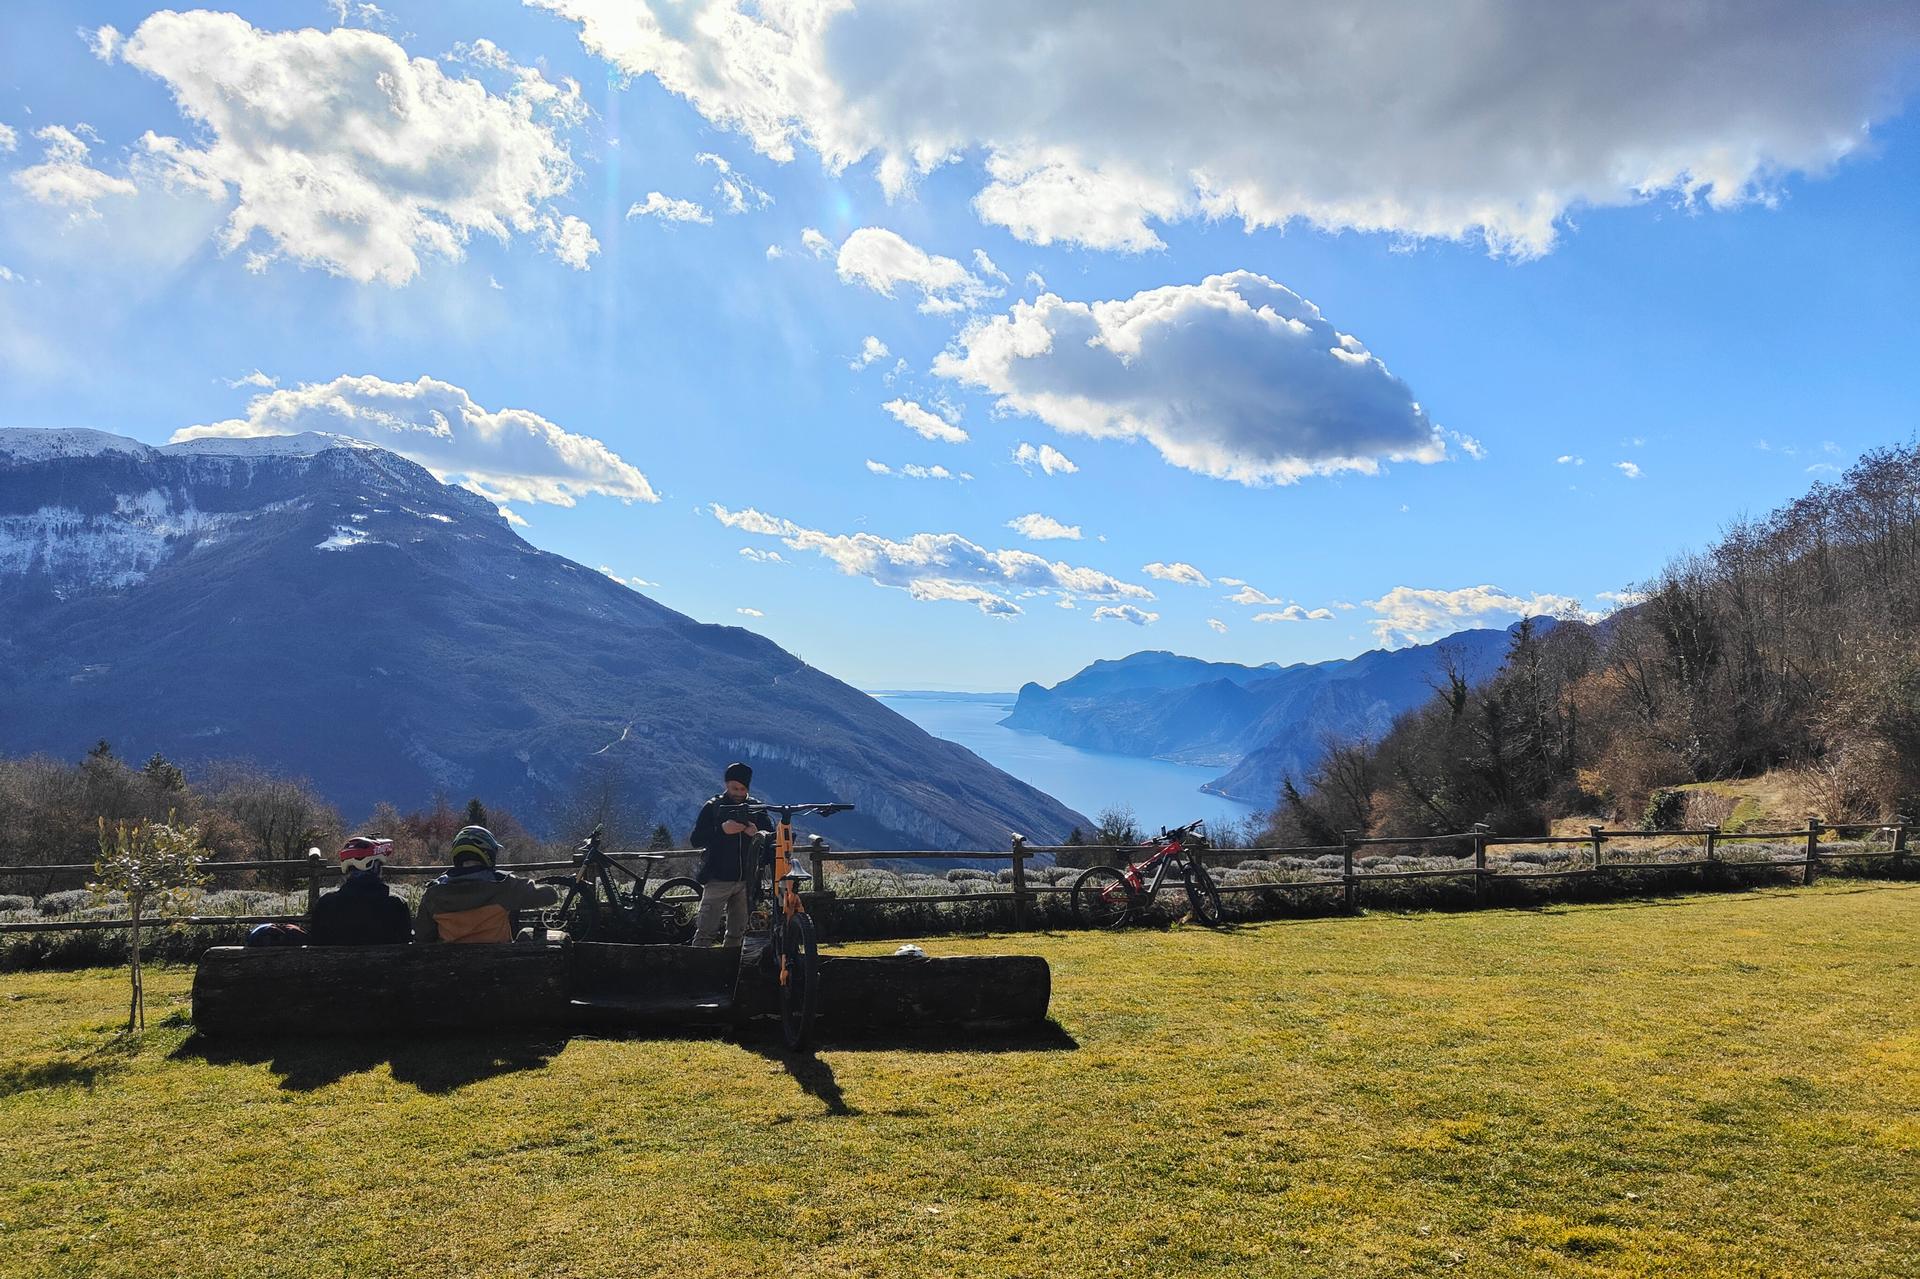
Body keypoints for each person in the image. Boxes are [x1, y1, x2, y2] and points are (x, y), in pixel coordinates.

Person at [414, 825, 557, 943]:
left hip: (451, 971)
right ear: (489, 853)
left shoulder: (434, 893)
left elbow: (422, 937)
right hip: (501, 968)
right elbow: (550, 896)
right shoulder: (504, 885)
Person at [687, 762, 772, 948]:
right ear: (726, 784)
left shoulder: (757, 808)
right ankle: (696, 971)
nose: (738, 792)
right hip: (717, 878)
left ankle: (730, 972)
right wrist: (721, 829)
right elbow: (696, 839)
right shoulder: (713, 807)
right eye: (734, 788)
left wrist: (758, 834)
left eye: (742, 788)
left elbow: (772, 841)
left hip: (747, 881)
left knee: (737, 935)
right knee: (704, 932)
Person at [310, 835, 412, 946]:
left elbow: (316, 941)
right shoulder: (396, 904)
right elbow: (405, 941)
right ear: (376, 867)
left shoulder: (326, 904)